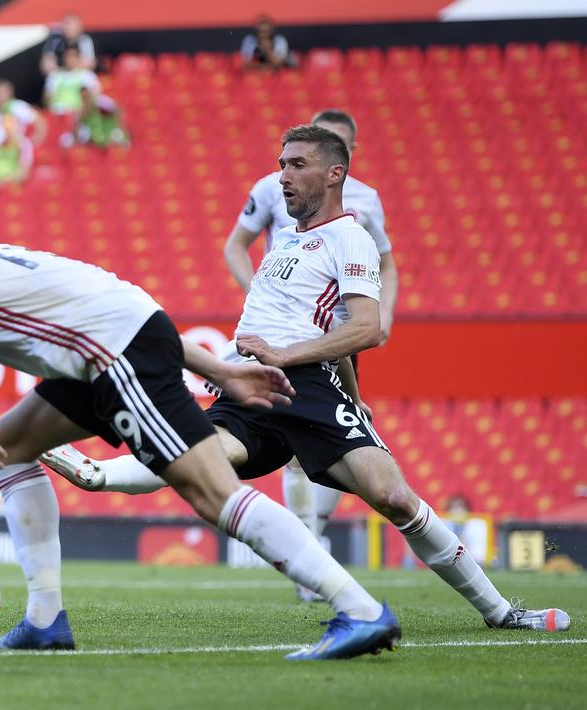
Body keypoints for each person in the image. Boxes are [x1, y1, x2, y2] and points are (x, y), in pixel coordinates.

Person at [42, 125, 570, 633]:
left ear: (334, 174)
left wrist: (308, 371)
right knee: (196, 458)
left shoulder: (350, 238)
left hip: (307, 386)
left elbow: (364, 327)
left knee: (395, 498)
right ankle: (95, 474)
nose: (283, 177)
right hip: (251, 385)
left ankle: (500, 611)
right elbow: (329, 325)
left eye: (297, 165)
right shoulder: (283, 245)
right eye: (281, 166)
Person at [0, 174, 401, 660]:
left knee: (213, 493)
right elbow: (126, 307)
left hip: (112, 356)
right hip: (107, 344)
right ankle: (43, 620)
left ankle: (358, 609)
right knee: (10, 450)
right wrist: (220, 368)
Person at [224, 109, 398, 599]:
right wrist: (255, 293)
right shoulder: (271, 187)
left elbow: (385, 263)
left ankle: (312, 547)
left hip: (327, 324)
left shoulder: (364, 206)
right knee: (288, 448)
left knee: (325, 447)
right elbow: (235, 246)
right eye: (290, 163)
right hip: (273, 327)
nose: (291, 173)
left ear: (342, 161)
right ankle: (310, 558)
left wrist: (385, 314)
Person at [0, 80, 47, 153]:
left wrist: (33, 144)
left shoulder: (18, 106)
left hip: (14, 152)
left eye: (1, 92)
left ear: (10, 92)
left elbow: (39, 121)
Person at [44, 48, 101, 116]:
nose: (69, 60)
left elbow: (95, 94)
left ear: (78, 58)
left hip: (79, 113)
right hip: (57, 114)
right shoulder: (54, 76)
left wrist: (84, 109)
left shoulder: (86, 75)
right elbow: (47, 98)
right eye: (67, 57)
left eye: (72, 56)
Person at [0, 114, 33, 187]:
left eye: (10, 123)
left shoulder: (24, 144)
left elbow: (24, 172)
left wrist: (4, 182)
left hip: (12, 186)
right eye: (4, 123)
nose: (7, 126)